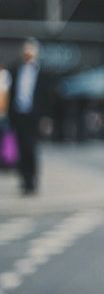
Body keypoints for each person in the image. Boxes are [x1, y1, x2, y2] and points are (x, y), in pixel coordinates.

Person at [8, 39, 47, 195]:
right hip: (18, 114)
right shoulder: (15, 70)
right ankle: (24, 179)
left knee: (31, 148)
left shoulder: (42, 74)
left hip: (34, 116)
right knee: (20, 148)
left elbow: (46, 97)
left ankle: (32, 180)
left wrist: (45, 118)